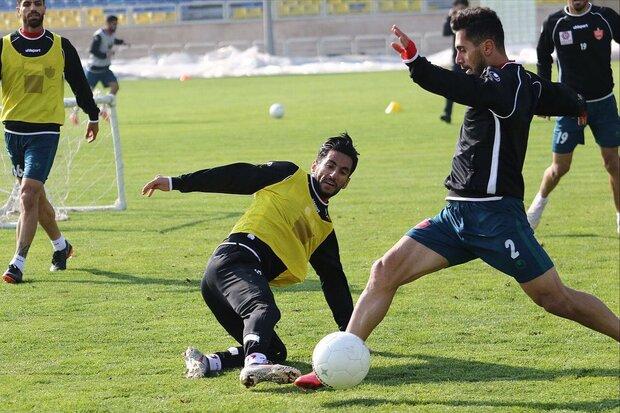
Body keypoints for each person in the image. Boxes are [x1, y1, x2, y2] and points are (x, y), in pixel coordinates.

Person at [294, 7, 620, 390]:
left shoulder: (507, 85)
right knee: (385, 270)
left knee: (556, 299)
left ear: (487, 46)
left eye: (463, 49)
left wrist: (417, 64)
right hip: (456, 216)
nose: (459, 57)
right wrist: (576, 104)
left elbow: (466, 90)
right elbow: (551, 94)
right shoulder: (517, 84)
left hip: (497, 219)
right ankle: (337, 364)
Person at [141, 134, 358, 388]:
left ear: (347, 182)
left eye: (342, 172)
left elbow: (334, 282)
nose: (334, 175)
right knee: (263, 310)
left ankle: (206, 361)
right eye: (330, 165)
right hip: (235, 259)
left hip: (225, 282)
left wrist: (351, 333)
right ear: (315, 165)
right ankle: (254, 365)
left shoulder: (323, 229)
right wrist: (177, 182)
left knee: (275, 351)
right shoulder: (289, 175)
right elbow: (236, 176)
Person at [1, 0, 99, 284]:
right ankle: (61, 246)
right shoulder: (4, 46)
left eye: (38, 4)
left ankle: (17, 263)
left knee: (27, 195)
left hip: (45, 132)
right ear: (18, 11)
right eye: (26, 4)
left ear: (44, 11)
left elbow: (79, 83)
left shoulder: (61, 46)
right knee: (36, 197)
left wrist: (92, 115)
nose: (33, 8)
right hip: (13, 133)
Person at [526, 0, 620, 233]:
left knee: (613, 163)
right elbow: (542, 55)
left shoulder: (605, 17)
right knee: (560, 168)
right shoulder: (555, 22)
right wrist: (545, 97)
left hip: (604, 104)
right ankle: (536, 208)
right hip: (569, 105)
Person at [440, 0, 469, 124]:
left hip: (472, 59)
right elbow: (446, 32)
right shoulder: (455, 21)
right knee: (451, 86)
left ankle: (477, 113)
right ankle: (447, 114)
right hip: (458, 59)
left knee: (474, 86)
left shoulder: (471, 19)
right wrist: (449, 17)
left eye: (461, 7)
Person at [85, 15, 127, 96]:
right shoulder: (99, 35)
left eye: (116, 24)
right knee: (86, 94)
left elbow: (112, 40)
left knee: (115, 87)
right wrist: (105, 55)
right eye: (113, 24)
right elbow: (93, 50)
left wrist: (122, 42)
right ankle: (76, 107)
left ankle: (105, 105)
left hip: (105, 69)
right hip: (94, 69)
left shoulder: (112, 34)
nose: (115, 26)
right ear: (107, 24)